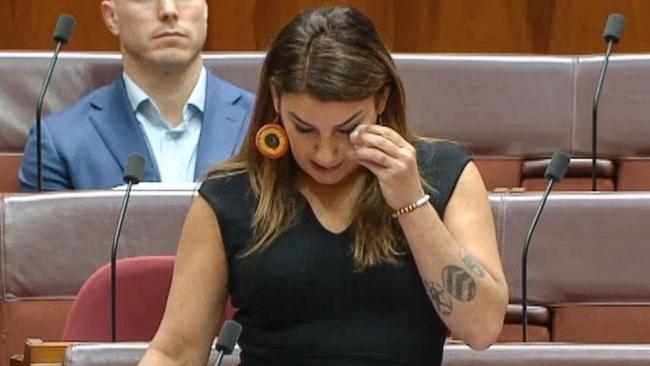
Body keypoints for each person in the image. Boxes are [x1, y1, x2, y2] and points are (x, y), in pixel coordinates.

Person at [140, 5, 508, 366]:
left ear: (381, 99)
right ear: (277, 99)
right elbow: (177, 351)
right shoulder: (229, 196)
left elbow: (481, 328)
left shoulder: (445, 173)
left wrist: (410, 201)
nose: (327, 154)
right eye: (304, 129)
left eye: (348, 130)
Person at [19, 0, 254, 190]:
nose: (169, 10)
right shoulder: (60, 143)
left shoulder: (261, 122)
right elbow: (49, 246)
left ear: (205, 9)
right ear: (112, 17)